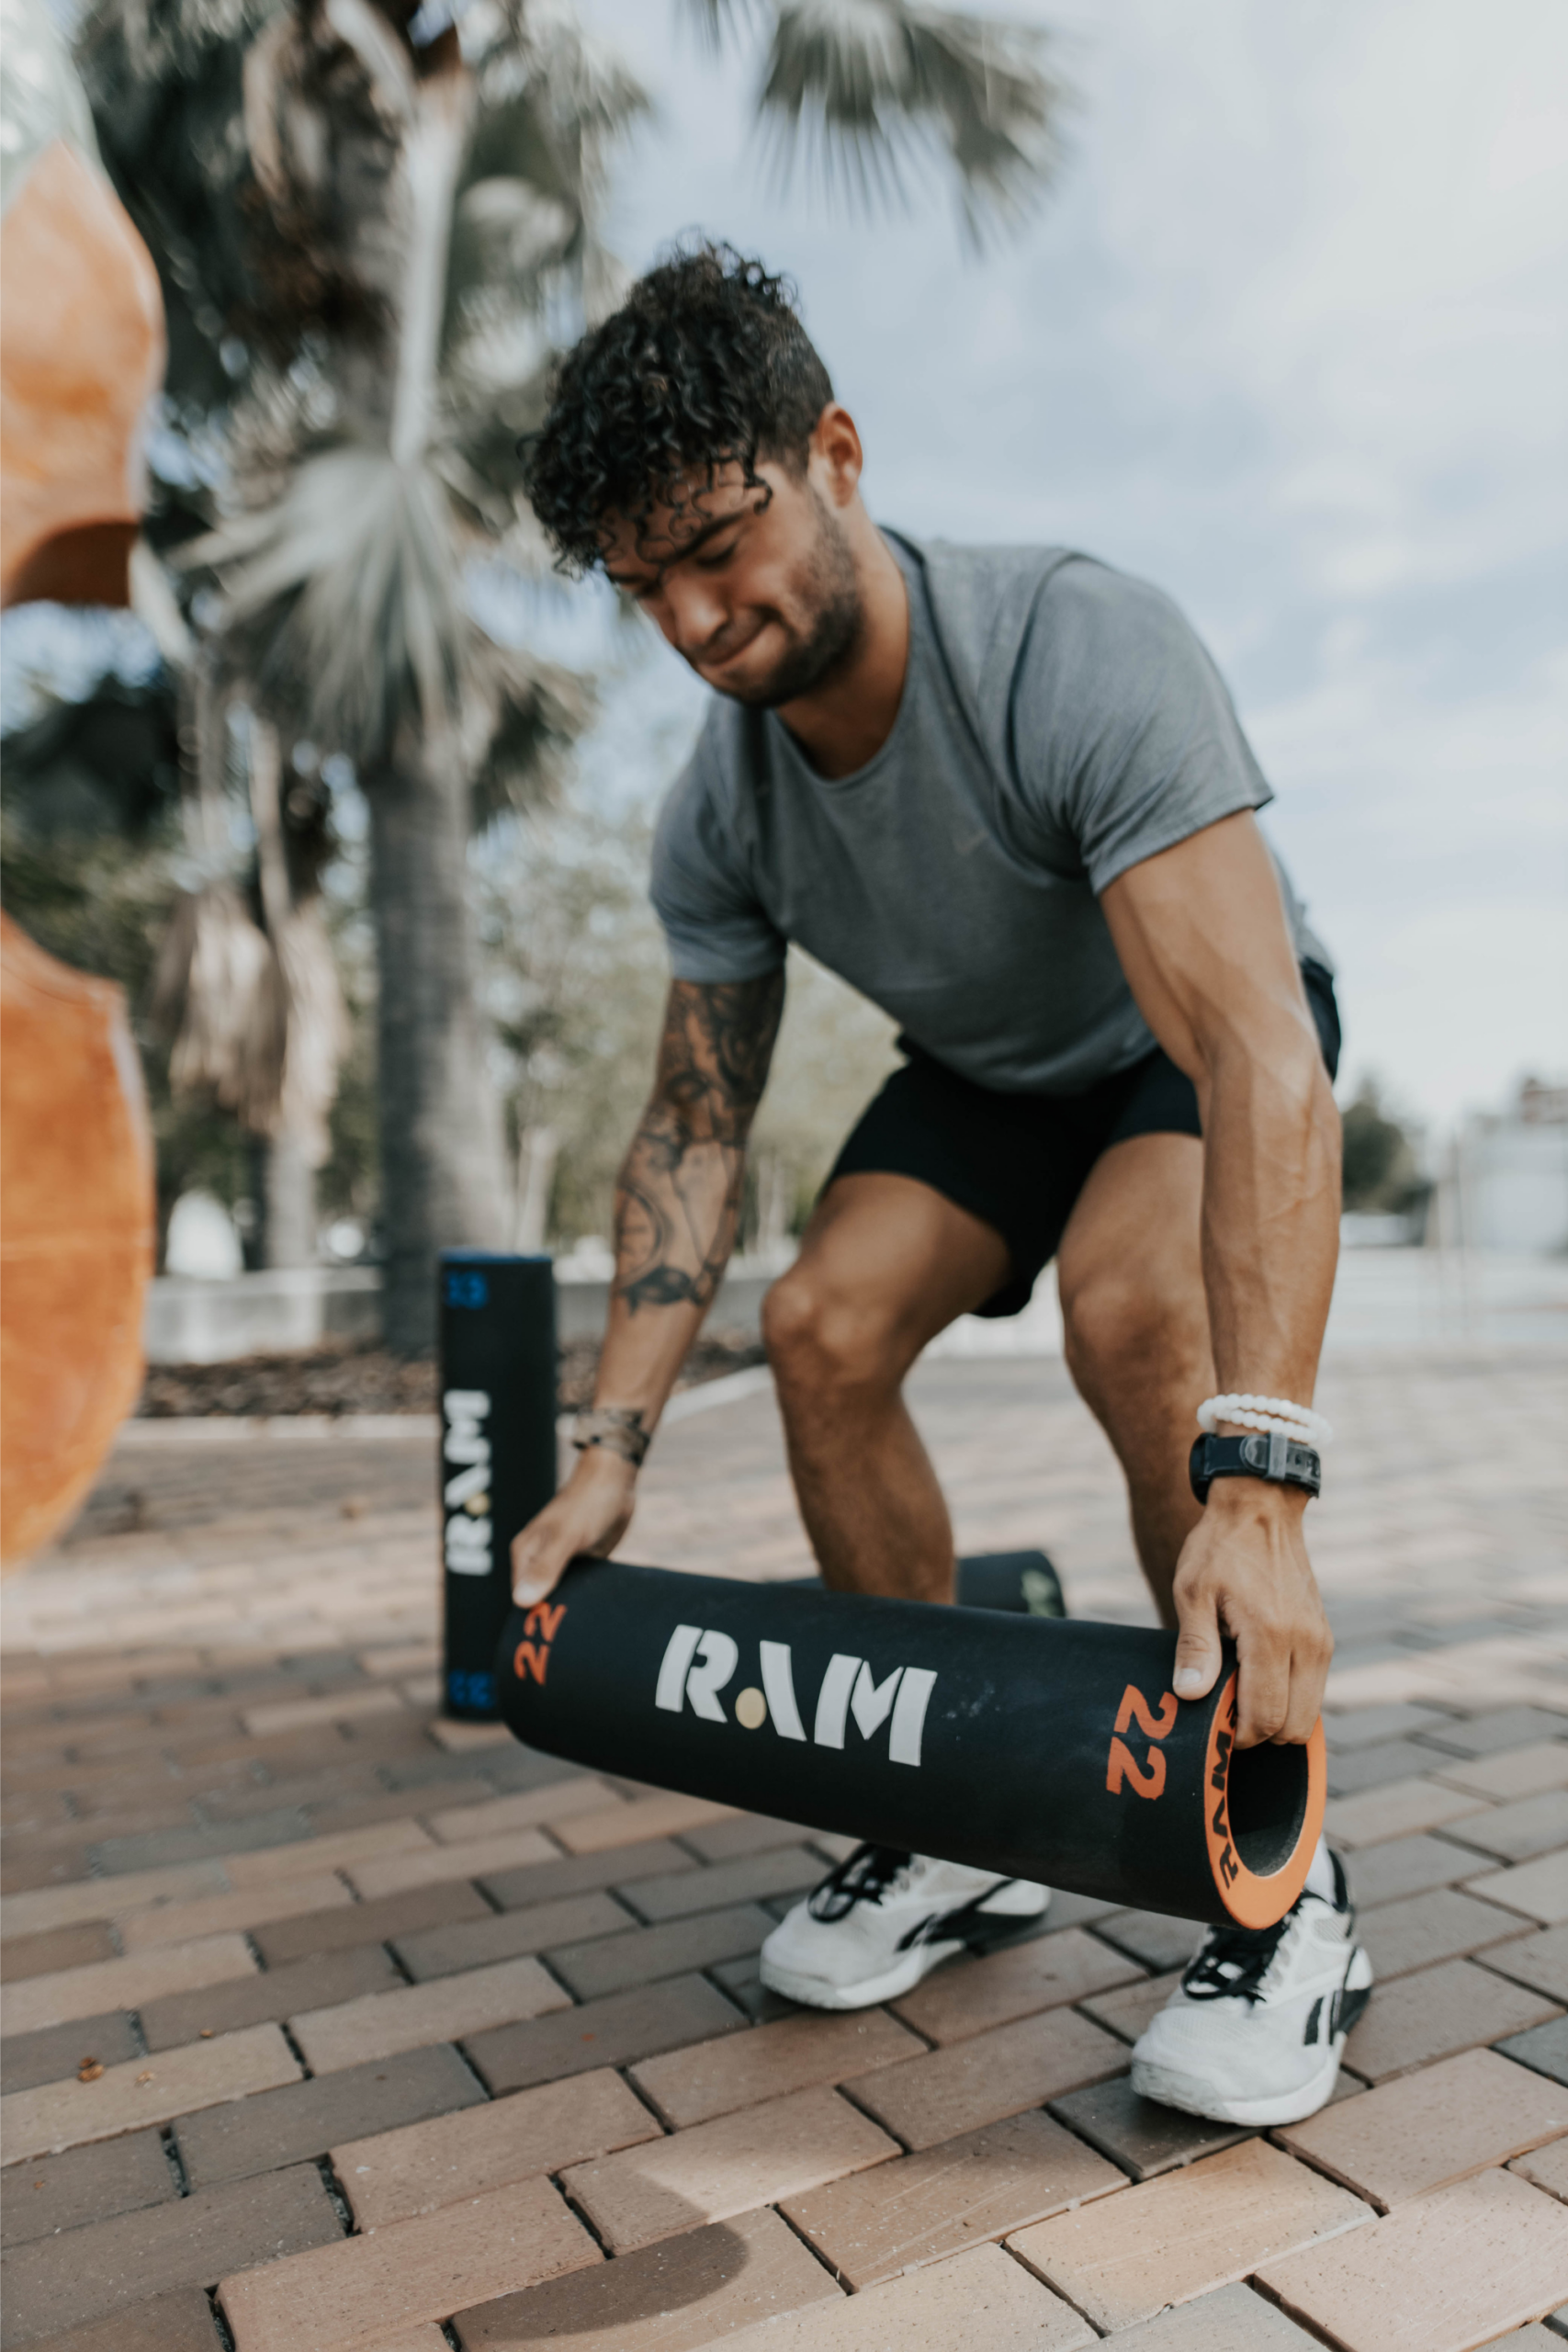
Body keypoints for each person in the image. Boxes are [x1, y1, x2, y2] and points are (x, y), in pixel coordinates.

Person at [510, 241, 1371, 2128]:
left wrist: (1262, 1488)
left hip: (1178, 1030)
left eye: (717, 545)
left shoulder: (1073, 644)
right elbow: (692, 1128)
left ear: (835, 454)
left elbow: (1256, 1056)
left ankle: (1287, 1884)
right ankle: (939, 1825)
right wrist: (608, 1448)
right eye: (643, 585)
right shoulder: (720, 807)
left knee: (1130, 1307)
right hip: (989, 1072)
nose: (692, 620)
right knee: (819, 1326)